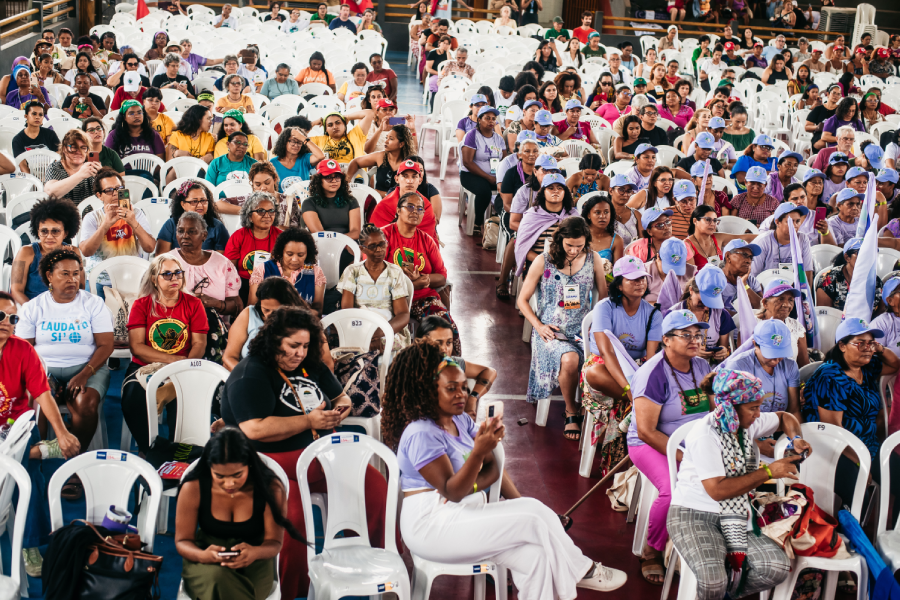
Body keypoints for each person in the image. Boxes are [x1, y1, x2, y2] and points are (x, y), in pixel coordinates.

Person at [385, 339, 626, 597]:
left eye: (463, 387)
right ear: (427, 390)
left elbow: (492, 470)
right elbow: (452, 490)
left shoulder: (460, 420)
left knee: (536, 557)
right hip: (429, 524)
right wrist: (477, 454)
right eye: (451, 388)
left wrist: (474, 479)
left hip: (460, 510)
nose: (462, 395)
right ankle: (583, 570)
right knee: (532, 513)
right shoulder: (421, 433)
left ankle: (577, 573)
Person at [221, 306, 388, 597]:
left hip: (322, 456)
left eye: (306, 346)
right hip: (272, 463)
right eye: (293, 346)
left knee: (375, 488)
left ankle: (371, 570)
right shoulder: (250, 373)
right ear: (274, 341)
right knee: (294, 520)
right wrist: (308, 421)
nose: (300, 353)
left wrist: (341, 408)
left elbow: (341, 396)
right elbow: (254, 428)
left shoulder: (312, 366)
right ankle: (290, 591)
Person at [668, 368, 801, 600]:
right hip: (694, 513)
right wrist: (769, 471)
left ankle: (724, 595)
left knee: (775, 568)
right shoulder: (705, 434)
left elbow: (784, 417)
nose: (759, 414)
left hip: (737, 512)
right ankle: (718, 589)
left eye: (759, 406)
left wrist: (796, 439)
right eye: (753, 408)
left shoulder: (747, 423)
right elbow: (718, 491)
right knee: (713, 580)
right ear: (731, 407)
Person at [627, 308, 713, 582]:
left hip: (694, 443)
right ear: (666, 339)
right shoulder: (653, 374)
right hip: (652, 444)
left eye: (698, 335)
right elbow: (645, 431)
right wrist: (683, 456)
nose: (695, 340)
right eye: (686, 335)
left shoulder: (701, 366)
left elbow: (711, 409)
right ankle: (651, 550)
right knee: (672, 488)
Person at [176, 425, 302, 600]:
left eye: (237, 475)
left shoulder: (271, 488)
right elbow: (183, 541)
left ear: (249, 464)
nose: (229, 484)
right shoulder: (193, 488)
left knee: (223, 588)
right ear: (209, 467)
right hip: (205, 557)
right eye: (219, 476)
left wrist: (255, 553)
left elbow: (274, 543)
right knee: (217, 577)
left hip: (255, 560)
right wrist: (203, 555)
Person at [518, 216, 607, 440]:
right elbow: (522, 300)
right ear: (560, 240)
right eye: (569, 245)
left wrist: (595, 329)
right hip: (550, 329)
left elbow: (602, 298)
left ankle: (596, 409)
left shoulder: (593, 259)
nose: (574, 251)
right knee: (569, 359)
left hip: (582, 331)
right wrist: (538, 326)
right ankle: (571, 410)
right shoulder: (543, 260)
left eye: (579, 245)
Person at [18, 248, 113, 455]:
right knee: (38, 402)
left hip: (88, 367)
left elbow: (106, 345)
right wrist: (43, 377)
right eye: (65, 274)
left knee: (85, 403)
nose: (72, 279)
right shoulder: (33, 307)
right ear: (49, 275)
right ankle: (41, 459)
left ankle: (75, 461)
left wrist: (83, 374)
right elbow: (23, 349)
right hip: (43, 368)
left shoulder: (93, 304)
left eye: (76, 273)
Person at [803, 317, 900, 511]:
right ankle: (847, 537)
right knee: (858, 492)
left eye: (870, 343)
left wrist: (877, 348)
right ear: (842, 346)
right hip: (835, 450)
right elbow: (832, 431)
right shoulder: (831, 376)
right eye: (859, 343)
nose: (867, 348)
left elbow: (895, 364)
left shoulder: (867, 368)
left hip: (868, 446)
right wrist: (860, 461)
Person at [120, 254, 208, 454]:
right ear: (154, 279)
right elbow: (137, 347)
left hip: (185, 366)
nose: (174, 278)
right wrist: (174, 360)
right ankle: (148, 449)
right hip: (145, 365)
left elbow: (199, 344)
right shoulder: (142, 305)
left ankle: (180, 454)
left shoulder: (193, 304)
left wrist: (183, 367)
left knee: (186, 403)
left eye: (177, 273)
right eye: (167, 274)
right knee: (132, 398)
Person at [338, 224, 412, 349]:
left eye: (382, 244)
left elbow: (403, 314)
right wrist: (364, 331)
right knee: (358, 343)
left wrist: (380, 332)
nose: (379, 250)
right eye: (372, 246)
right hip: (359, 326)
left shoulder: (394, 272)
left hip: (388, 327)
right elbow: (347, 311)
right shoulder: (352, 271)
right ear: (362, 249)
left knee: (376, 344)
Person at [79, 168, 156, 278]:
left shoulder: (136, 213)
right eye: (109, 190)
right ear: (99, 195)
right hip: (101, 278)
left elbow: (150, 248)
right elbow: (86, 252)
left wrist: (133, 222)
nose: (115, 193)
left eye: (119, 188)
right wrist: (106, 224)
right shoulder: (92, 217)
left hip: (133, 275)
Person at [11, 197, 83, 305]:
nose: (49, 236)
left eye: (55, 231)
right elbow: (16, 291)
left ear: (65, 233)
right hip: (31, 308)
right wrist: (36, 312)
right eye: (44, 231)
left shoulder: (73, 252)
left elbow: (80, 288)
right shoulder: (26, 252)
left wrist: (67, 261)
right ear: (37, 232)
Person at [225, 192, 283, 303]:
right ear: (250, 216)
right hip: (243, 285)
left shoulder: (282, 237)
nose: (267, 215)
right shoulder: (238, 236)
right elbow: (230, 271)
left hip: (274, 285)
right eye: (261, 211)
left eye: (271, 211)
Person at [461, 105, 508, 236]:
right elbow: (467, 162)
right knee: (484, 192)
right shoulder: (472, 135)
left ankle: (502, 221)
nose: (491, 121)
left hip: (493, 176)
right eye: (487, 118)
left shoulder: (499, 138)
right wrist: (488, 178)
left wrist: (500, 178)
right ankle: (478, 222)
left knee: (508, 189)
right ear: (479, 120)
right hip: (470, 174)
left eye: (493, 118)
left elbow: (505, 161)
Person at [370, 160, 440, 242]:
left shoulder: (426, 206)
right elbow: (375, 238)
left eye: (414, 177)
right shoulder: (384, 205)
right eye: (405, 176)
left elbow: (425, 241)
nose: (409, 181)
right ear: (396, 179)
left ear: (420, 180)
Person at [156, 180, 229, 255]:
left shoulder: (217, 226)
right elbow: (161, 259)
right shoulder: (171, 225)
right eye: (194, 201)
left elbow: (222, 261)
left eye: (203, 200)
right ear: (183, 204)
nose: (200, 205)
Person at [817, 237, 884, 312]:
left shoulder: (876, 282)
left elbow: (879, 315)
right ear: (847, 257)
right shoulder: (828, 280)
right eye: (862, 254)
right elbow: (825, 316)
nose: (868, 258)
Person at [300, 159, 362, 241]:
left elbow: (356, 232)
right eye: (328, 177)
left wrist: (343, 242)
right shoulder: (309, 203)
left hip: (348, 244)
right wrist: (339, 240)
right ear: (319, 180)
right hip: (322, 244)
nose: (334, 181)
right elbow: (319, 233)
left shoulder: (351, 200)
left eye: (337, 176)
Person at [348, 125, 416, 195]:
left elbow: (410, 192)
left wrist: (382, 193)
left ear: (401, 144)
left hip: (399, 203)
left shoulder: (409, 163)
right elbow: (355, 162)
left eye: (391, 139)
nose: (386, 141)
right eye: (386, 138)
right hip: (378, 202)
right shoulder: (380, 156)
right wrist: (347, 182)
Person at [43, 129, 102, 209]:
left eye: (83, 148)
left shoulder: (91, 168)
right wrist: (80, 175)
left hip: (89, 218)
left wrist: (102, 177)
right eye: (74, 148)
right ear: (64, 149)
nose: (79, 152)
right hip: (63, 217)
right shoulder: (55, 167)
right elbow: (51, 192)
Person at [12, 101, 60, 173]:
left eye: (40, 115)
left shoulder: (50, 134)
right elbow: (22, 165)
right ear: (26, 116)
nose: (37, 117)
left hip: (51, 173)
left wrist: (50, 175)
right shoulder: (17, 139)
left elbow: (59, 155)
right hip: (30, 175)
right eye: (34, 114)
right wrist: (33, 182)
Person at [582, 194, 623, 265]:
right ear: (589, 215)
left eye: (606, 212)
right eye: (597, 212)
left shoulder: (616, 240)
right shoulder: (579, 235)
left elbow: (618, 271)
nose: (602, 216)